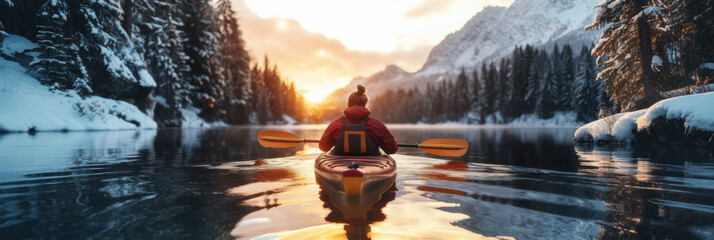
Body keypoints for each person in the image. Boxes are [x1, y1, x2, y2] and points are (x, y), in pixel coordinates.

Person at [319, 85, 398, 155]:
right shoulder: (376, 125)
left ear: (349, 104)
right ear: (365, 104)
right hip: (371, 166)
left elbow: (323, 147)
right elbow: (391, 149)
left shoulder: (336, 124)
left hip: (339, 165)